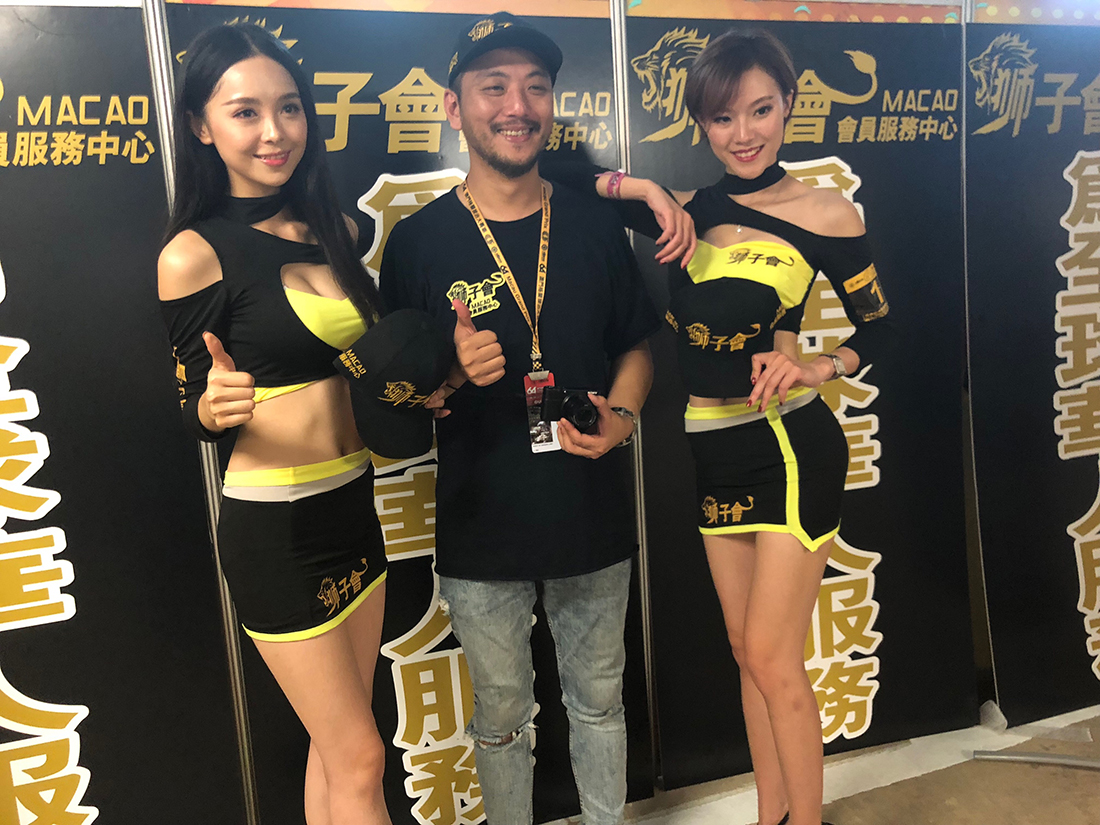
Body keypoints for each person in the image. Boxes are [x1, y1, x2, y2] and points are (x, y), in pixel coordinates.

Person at [574, 28, 895, 825]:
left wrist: (820, 365)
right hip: (711, 449)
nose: (743, 133)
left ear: (789, 105)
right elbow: (566, 180)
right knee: (747, 652)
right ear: (702, 125)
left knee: (776, 657)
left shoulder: (826, 212)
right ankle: (770, 813)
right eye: (722, 117)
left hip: (789, 448)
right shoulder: (686, 213)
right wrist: (646, 191)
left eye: (760, 110)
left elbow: (882, 325)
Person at [378, 13, 691, 825]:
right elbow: (395, 397)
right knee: (501, 719)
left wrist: (623, 414)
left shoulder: (592, 223)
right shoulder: (416, 243)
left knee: (599, 705)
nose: (517, 106)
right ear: (455, 108)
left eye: (535, 87)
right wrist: (447, 373)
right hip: (481, 526)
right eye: (494, 87)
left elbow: (636, 348)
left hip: (592, 514)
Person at [158, 24, 391, 825]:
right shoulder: (193, 254)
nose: (274, 131)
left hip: (355, 503)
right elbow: (193, 395)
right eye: (245, 111)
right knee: (361, 758)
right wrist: (210, 407)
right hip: (277, 530)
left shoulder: (341, 231)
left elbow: (371, 363)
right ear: (201, 125)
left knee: (340, 751)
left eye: (289, 108)